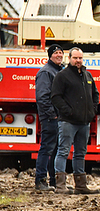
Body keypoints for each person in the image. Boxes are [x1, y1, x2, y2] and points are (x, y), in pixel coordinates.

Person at [51, 47, 100, 194]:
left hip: (84, 123)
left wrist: (92, 111)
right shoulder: (62, 76)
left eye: (80, 58)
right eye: (75, 58)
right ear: (70, 58)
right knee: (63, 151)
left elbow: (95, 95)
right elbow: (56, 97)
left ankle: (81, 185)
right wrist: (69, 112)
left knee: (80, 153)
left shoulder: (87, 75)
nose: (78, 61)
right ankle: (60, 186)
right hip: (68, 122)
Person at [34, 44, 64, 192]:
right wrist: (52, 115)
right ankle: (40, 180)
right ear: (50, 55)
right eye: (56, 53)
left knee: (55, 150)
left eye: (61, 53)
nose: (59, 55)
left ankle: (54, 182)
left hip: (57, 118)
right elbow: (42, 97)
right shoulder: (46, 72)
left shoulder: (59, 71)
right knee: (46, 148)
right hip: (50, 118)